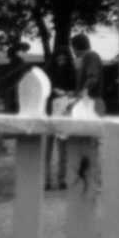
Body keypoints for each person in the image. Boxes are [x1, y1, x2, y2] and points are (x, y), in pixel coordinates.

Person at [45, 45, 77, 189]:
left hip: (64, 111)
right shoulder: (49, 72)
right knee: (47, 150)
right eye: (59, 57)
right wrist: (54, 91)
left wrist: (70, 92)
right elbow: (45, 90)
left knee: (63, 148)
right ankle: (45, 180)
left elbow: (75, 89)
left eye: (64, 57)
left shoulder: (72, 72)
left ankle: (62, 179)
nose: (61, 59)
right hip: (49, 113)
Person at [70, 32, 106, 116]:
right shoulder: (86, 58)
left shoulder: (90, 56)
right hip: (88, 101)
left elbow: (92, 78)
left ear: (75, 47)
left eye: (72, 48)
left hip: (92, 101)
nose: (73, 51)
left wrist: (81, 93)